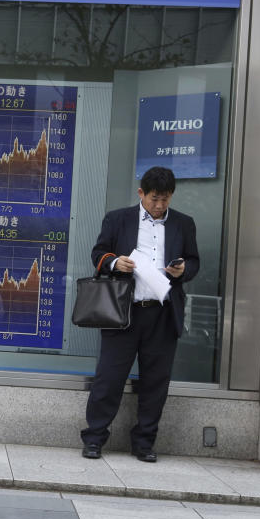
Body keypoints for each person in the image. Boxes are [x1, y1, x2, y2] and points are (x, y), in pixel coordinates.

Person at [81, 166, 199, 463]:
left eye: (165, 199)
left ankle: (144, 442)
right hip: (124, 311)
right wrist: (114, 263)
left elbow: (195, 261)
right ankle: (94, 438)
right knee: (109, 377)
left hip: (163, 313)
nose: (159, 206)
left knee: (156, 381)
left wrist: (183, 270)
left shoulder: (184, 224)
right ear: (141, 193)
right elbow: (98, 253)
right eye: (154, 199)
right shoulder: (118, 219)